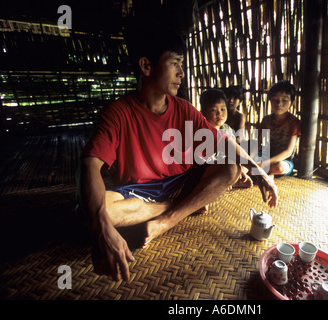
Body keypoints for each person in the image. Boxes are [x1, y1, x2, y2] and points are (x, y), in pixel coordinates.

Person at [78, 22, 278, 282]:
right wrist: (102, 228)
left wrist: (260, 172)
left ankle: (166, 220)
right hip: (141, 191)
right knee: (91, 211)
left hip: (182, 181)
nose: (182, 73)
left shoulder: (183, 108)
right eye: (174, 63)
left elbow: (223, 143)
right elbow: (89, 165)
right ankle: (182, 207)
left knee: (231, 167)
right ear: (146, 66)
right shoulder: (117, 112)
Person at [199, 88, 253, 188]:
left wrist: (238, 170)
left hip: (223, 164)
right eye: (213, 110)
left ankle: (229, 181)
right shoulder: (202, 132)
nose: (219, 114)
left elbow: (233, 153)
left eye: (223, 109)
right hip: (207, 168)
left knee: (242, 165)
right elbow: (202, 161)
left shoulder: (227, 129)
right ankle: (224, 183)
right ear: (203, 113)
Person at [256, 80, 301, 178]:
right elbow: (258, 143)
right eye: (275, 100)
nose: (279, 104)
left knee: (280, 167)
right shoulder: (266, 120)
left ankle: (261, 172)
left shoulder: (293, 122)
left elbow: (288, 152)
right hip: (264, 155)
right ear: (270, 101)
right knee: (244, 161)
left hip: (283, 160)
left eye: (284, 100)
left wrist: (264, 163)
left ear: (292, 102)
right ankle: (265, 174)